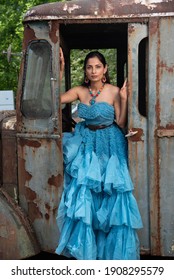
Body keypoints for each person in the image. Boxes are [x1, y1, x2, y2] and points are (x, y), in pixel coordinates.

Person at [55, 49, 143, 260]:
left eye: (97, 67)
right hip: (87, 142)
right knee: (86, 192)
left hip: (111, 142)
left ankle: (111, 255)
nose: (93, 71)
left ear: (104, 69)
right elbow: (54, 100)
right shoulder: (79, 91)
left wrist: (123, 97)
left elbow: (120, 123)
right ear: (85, 71)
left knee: (110, 191)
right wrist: (59, 72)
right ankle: (88, 252)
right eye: (89, 67)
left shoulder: (113, 91)